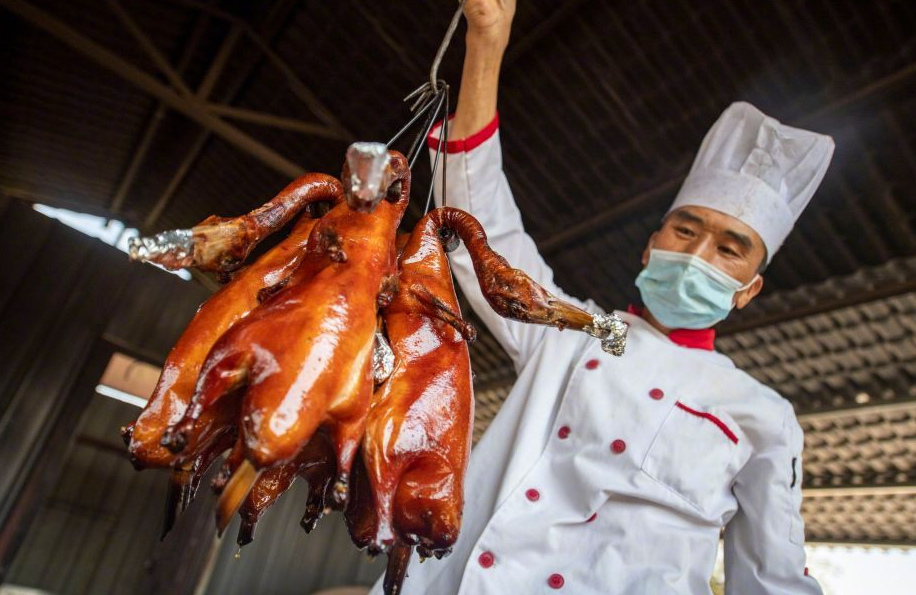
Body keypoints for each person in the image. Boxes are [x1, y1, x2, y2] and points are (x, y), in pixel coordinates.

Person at [370, 1, 834, 593]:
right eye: (685, 230)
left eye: (729, 249)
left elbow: (774, 580)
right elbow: (478, 221)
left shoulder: (763, 415)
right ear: (650, 247)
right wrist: (487, 41)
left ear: (749, 290)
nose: (696, 255)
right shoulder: (573, 332)